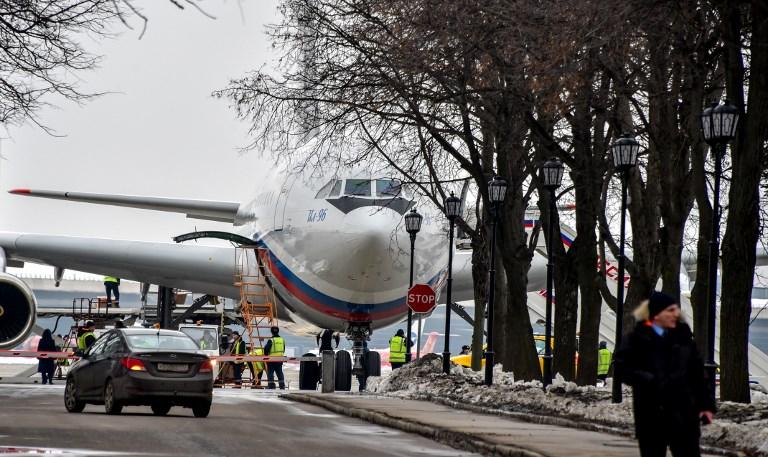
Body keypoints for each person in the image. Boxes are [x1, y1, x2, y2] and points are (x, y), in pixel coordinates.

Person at [614, 291, 714, 457]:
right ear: (656, 314)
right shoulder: (636, 339)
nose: (676, 314)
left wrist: (706, 406)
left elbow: (698, 376)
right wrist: (647, 379)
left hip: (684, 415)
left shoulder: (684, 339)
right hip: (651, 415)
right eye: (670, 310)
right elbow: (622, 368)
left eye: (676, 309)